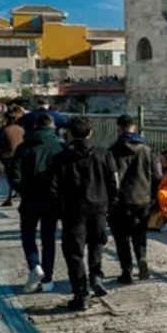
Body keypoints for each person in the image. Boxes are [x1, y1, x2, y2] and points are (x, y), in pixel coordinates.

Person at [50, 116, 117, 311]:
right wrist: (109, 205)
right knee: (97, 243)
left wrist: (60, 209)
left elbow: (53, 188)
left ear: (70, 133)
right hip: (99, 207)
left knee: (74, 252)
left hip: (73, 210)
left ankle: (81, 294)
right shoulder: (104, 154)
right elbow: (114, 184)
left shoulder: (61, 158)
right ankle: (96, 275)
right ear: (90, 133)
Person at [7, 113, 64, 293]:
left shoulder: (24, 147)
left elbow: (14, 174)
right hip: (52, 200)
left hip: (30, 198)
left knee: (28, 235)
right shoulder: (60, 147)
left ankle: (34, 266)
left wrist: (24, 190)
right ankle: (47, 279)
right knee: (48, 238)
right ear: (52, 126)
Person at [108, 114, 161, 284]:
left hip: (120, 201)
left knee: (121, 237)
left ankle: (127, 271)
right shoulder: (146, 149)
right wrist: (152, 196)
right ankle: (142, 257)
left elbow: (110, 176)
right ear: (135, 128)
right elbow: (157, 175)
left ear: (118, 129)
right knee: (139, 232)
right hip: (142, 198)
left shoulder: (113, 149)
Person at [0, 106, 26, 207]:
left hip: (8, 156)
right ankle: (15, 194)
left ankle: (11, 196)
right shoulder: (22, 129)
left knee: (10, 177)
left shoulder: (4, 130)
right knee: (19, 176)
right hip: (21, 156)